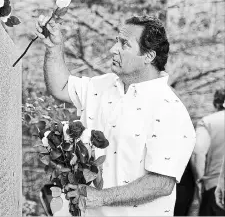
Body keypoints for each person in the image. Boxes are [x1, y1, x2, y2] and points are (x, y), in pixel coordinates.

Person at [35, 14, 196, 216]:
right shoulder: (102, 85)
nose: (113, 49)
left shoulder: (169, 108)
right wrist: (53, 48)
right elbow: (61, 86)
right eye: (116, 41)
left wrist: (100, 197)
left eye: (124, 44)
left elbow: (161, 183)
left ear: (149, 56)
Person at [188, 89, 225, 216]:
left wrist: (199, 181)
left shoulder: (208, 122)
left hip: (215, 186)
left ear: (216, 103)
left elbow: (198, 153)